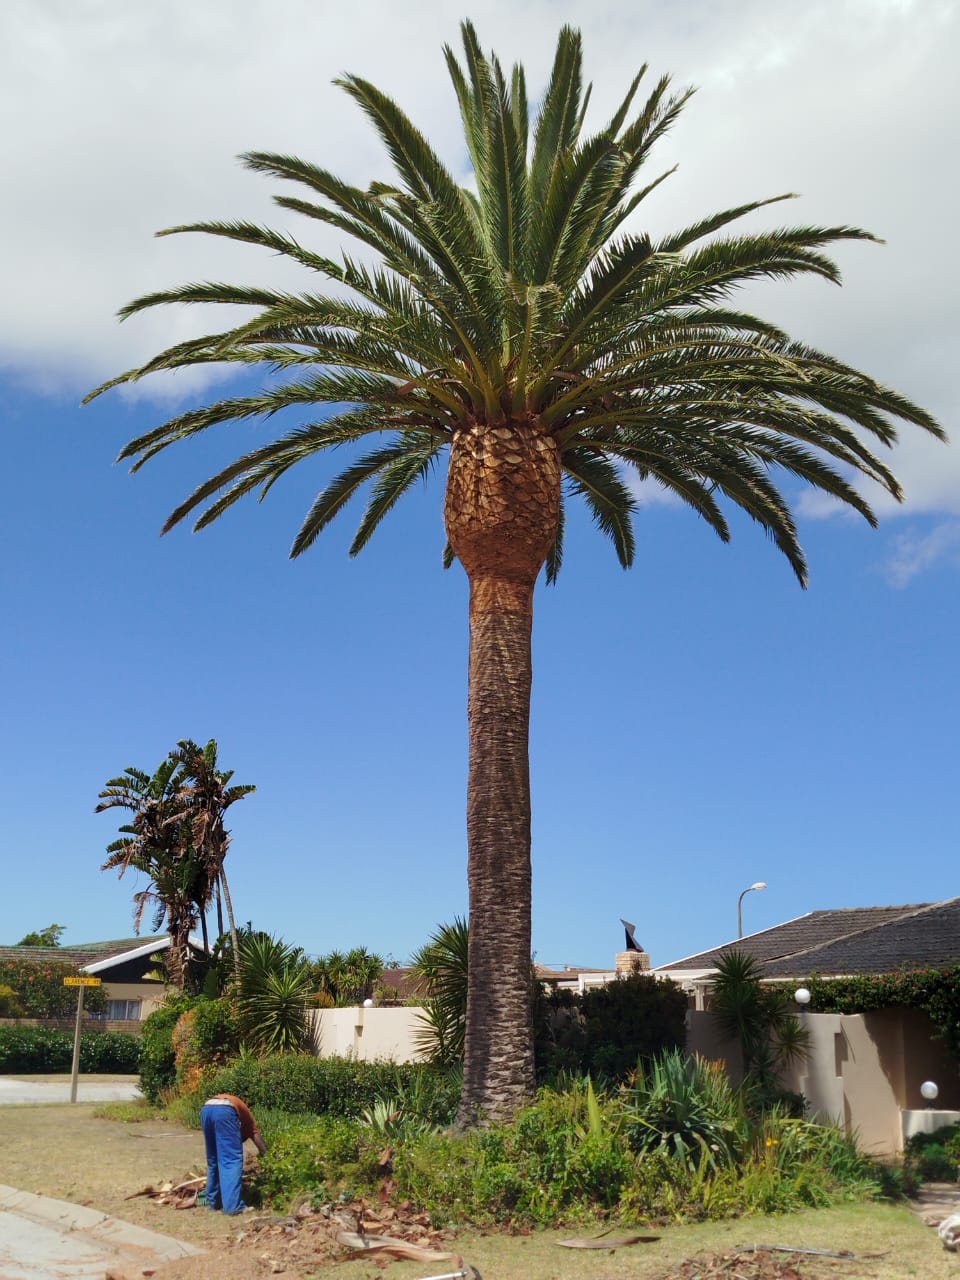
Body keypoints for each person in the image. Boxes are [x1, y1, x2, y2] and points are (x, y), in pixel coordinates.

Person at [199, 1092, 267, 1214]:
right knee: (231, 1161)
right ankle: (233, 1207)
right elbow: (255, 1133)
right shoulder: (247, 1117)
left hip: (206, 1109)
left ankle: (212, 1202)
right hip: (225, 1111)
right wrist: (266, 1155)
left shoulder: (237, 1107)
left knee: (213, 1160)